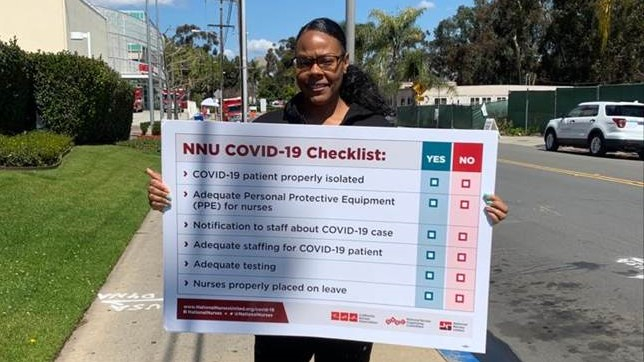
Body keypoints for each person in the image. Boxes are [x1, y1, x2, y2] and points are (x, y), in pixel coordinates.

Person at [146, 17, 508, 362]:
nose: (315, 71)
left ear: (344, 63)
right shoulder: (266, 128)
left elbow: (410, 211)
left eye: (326, 61)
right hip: (279, 315)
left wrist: (478, 210)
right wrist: (172, 198)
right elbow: (222, 200)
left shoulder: (378, 131)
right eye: (305, 62)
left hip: (350, 315)